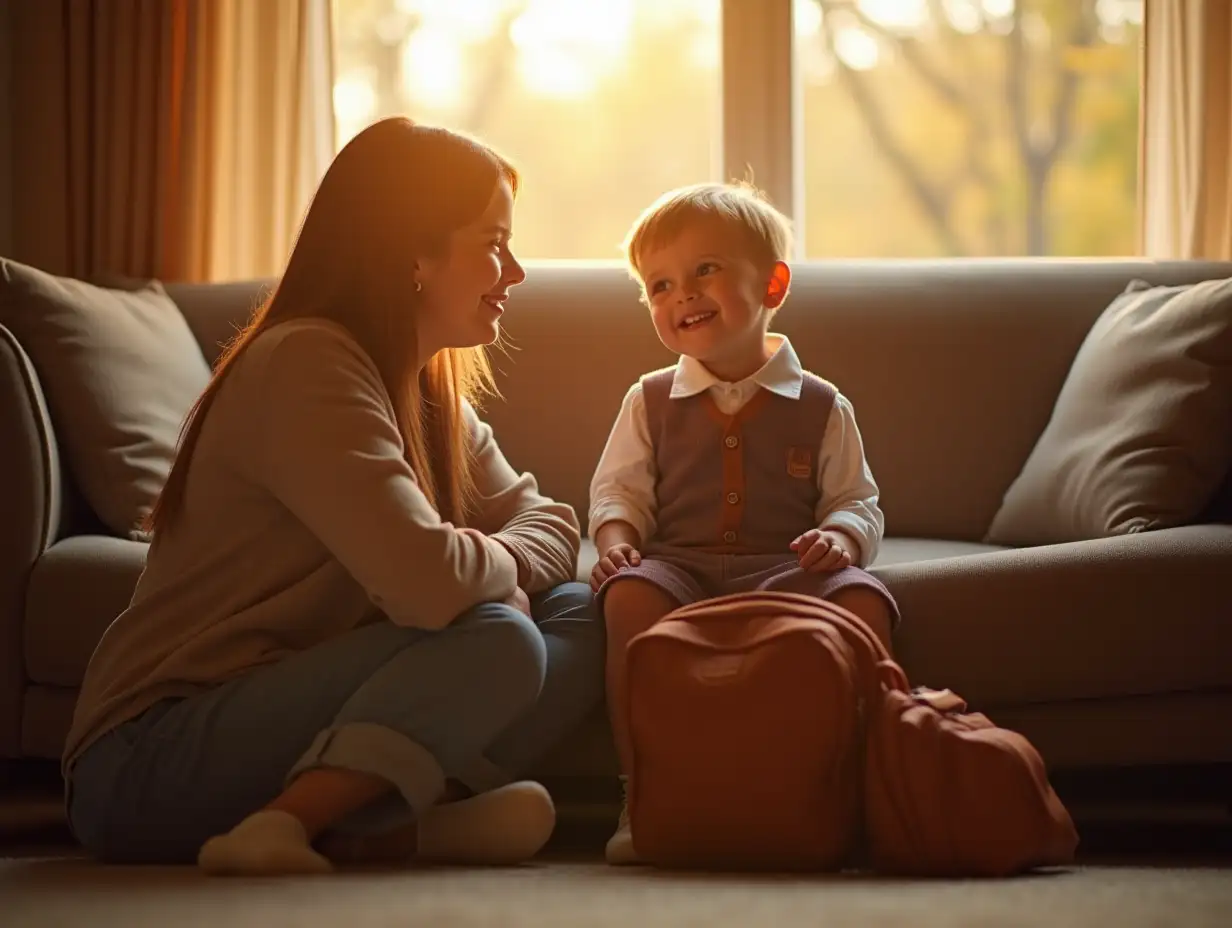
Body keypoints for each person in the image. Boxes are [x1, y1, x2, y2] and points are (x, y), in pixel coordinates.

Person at [61, 118, 604, 875]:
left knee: (581, 611)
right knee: (501, 637)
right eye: (492, 244)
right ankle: (283, 826)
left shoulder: (427, 393)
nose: (514, 272)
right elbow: (427, 583)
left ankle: (377, 830)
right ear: (414, 251)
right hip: (150, 755)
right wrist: (496, 581)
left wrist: (498, 570)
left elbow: (547, 518)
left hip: (287, 713)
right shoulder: (307, 365)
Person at [587, 182, 901, 865]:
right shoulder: (648, 401)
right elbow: (619, 494)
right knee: (629, 596)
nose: (682, 296)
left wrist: (840, 537)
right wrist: (617, 545)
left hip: (782, 571)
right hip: (679, 568)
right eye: (660, 284)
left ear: (774, 284)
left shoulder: (822, 405)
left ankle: (853, 795)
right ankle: (642, 796)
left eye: (705, 270)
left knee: (862, 600)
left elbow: (858, 500)